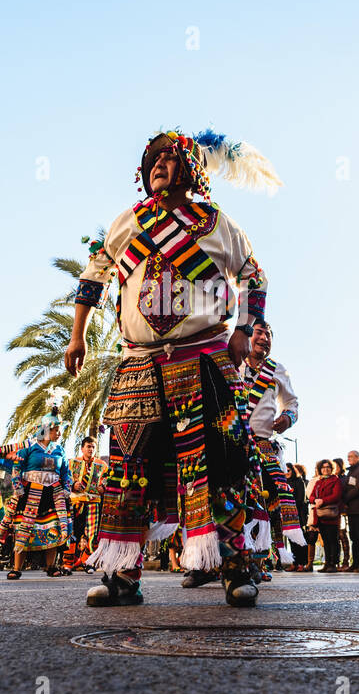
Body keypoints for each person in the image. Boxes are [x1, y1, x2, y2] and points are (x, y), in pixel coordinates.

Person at [66, 129, 279, 608]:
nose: (157, 165)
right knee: (127, 469)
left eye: (168, 158)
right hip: (138, 363)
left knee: (222, 466)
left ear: (191, 168)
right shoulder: (130, 221)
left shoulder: (218, 222)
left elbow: (253, 275)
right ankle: (122, 575)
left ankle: (235, 568)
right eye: (152, 160)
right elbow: (94, 272)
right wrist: (77, 334)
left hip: (205, 357)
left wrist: (246, 325)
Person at [237, 318, 304, 572]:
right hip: (232, 443)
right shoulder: (232, 362)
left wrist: (287, 418)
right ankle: (211, 561)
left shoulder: (277, 369)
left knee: (261, 503)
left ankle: (256, 561)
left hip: (263, 446)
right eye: (259, 332)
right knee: (224, 500)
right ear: (246, 335)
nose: (264, 338)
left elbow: (293, 404)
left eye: (269, 334)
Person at [0, 400, 73, 579]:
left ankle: (51, 566)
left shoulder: (59, 449)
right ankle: (17, 568)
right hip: (29, 493)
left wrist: (67, 489)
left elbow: (66, 472)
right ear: (47, 429)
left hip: (53, 495)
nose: (59, 433)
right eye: (57, 430)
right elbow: (17, 467)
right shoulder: (29, 446)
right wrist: (17, 487)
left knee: (53, 527)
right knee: (24, 528)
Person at [68, 436, 107, 570]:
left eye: (93, 447)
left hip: (93, 502)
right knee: (71, 531)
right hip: (75, 502)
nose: (91, 449)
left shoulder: (102, 465)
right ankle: (68, 563)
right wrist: (73, 484)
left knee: (92, 533)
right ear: (82, 448)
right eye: (88, 446)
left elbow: (108, 478)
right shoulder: (72, 463)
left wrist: (104, 487)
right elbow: (66, 477)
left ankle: (89, 562)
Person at [308, 460, 345, 573]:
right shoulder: (319, 482)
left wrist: (323, 501)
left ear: (331, 468)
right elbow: (311, 496)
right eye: (323, 467)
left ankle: (333, 564)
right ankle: (327, 563)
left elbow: (336, 495)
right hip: (320, 516)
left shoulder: (336, 480)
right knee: (325, 541)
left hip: (331, 515)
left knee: (333, 540)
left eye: (328, 467)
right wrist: (315, 500)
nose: (326, 469)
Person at [342, 451, 359, 572]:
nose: (349, 458)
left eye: (351, 456)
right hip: (350, 509)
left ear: (358, 457)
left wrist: (345, 497)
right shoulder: (350, 471)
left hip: (357, 507)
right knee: (353, 536)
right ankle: (356, 562)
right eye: (348, 456)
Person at [288, 464, 312, 571]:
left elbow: (301, 500)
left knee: (300, 539)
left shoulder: (299, 481)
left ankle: (302, 563)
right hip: (287, 515)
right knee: (291, 540)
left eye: (288, 470)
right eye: (285, 470)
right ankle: (295, 562)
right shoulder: (283, 483)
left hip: (298, 515)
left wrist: (289, 504)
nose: (287, 472)